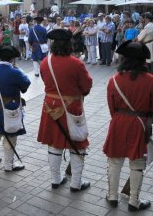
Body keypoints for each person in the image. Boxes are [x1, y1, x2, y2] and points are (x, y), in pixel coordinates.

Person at [103, 41, 153, 211]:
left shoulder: (113, 80)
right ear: (143, 61)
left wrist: (120, 118)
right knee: (137, 164)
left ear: (124, 59)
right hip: (140, 124)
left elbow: (111, 106)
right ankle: (134, 201)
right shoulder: (151, 81)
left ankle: (112, 196)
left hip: (118, 122)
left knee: (115, 161)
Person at [37, 29, 93, 192]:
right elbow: (86, 86)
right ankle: (76, 183)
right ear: (69, 44)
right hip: (71, 106)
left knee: (54, 143)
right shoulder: (76, 63)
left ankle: (55, 179)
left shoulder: (44, 62)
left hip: (49, 106)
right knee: (77, 143)